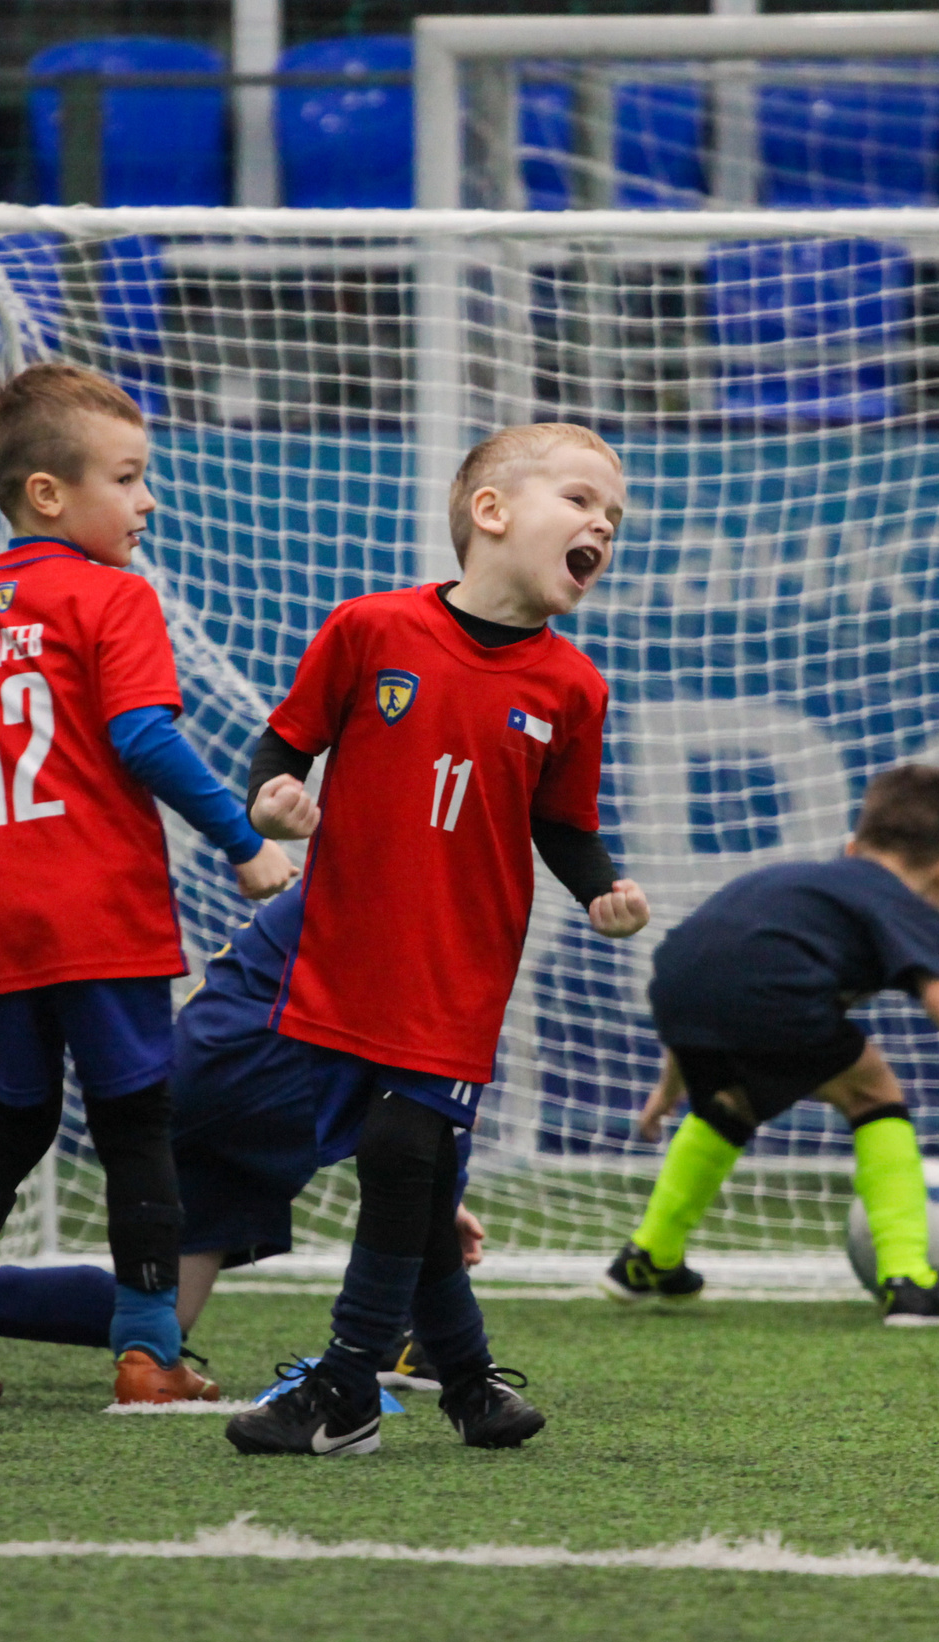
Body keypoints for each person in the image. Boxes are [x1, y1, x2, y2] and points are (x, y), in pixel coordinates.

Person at [223, 422, 652, 1457]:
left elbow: (563, 824)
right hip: (343, 957)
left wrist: (603, 888)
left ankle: (346, 1387)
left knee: (400, 1150)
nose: (602, 525)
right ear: (490, 512)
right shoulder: (368, 629)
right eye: (581, 500)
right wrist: (272, 803)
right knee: (406, 1184)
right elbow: (284, 746)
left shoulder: (574, 687)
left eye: (615, 516)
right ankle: (470, 1382)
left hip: (460, 969)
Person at [0, 363, 297, 1408]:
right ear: (48, 493)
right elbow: (143, 736)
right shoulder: (114, 597)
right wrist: (242, 839)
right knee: (134, 1121)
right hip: (100, 912)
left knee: (14, 1119)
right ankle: (149, 1352)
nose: (147, 498)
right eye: (128, 476)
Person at [0, 888, 489, 1392]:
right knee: (428, 1096)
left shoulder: (362, 878)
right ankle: (402, 1337)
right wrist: (441, 1189)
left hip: (210, 1068)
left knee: (168, 1307)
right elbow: (428, 1067)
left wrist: (439, 1190)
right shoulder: (417, 898)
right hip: (254, 1066)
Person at [605, 764, 939, 1325]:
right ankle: (908, 1280)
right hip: (764, 990)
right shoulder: (898, 899)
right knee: (872, 1092)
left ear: (852, 847)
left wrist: (672, 1086)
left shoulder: (798, 886)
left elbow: (716, 970)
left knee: (732, 1101)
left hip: (673, 984)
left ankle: (648, 1256)